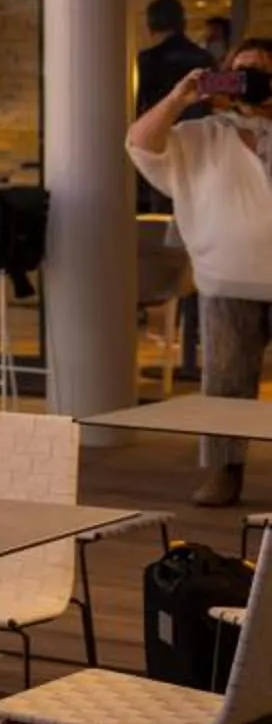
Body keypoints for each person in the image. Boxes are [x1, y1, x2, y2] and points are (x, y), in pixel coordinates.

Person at [131, 40, 272, 509]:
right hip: (227, 278)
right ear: (224, 78)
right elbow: (139, 144)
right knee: (226, 383)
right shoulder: (202, 135)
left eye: (263, 72)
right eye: (242, 71)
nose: (252, 79)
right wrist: (179, 98)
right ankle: (223, 475)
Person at [139, 0, 210, 118]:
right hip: (199, 132)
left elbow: (140, 106)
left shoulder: (147, 60)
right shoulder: (204, 57)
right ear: (183, 23)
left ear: (150, 25)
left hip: (159, 130)